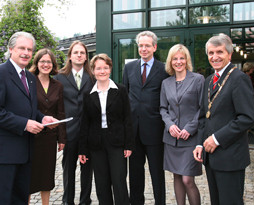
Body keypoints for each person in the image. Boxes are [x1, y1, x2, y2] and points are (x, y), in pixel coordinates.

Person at [0, 31, 58, 205]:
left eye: (29, 49)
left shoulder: (29, 77)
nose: (26, 53)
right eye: (22, 48)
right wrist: (25, 124)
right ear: (11, 49)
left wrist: (43, 118)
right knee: (1, 200)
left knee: (20, 199)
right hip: (3, 153)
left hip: (26, 151)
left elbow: (31, 110)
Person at [193, 34, 254, 205]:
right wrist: (200, 143)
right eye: (211, 53)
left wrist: (216, 138)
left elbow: (247, 118)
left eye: (219, 52)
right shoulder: (208, 81)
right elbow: (204, 117)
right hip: (212, 157)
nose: (215, 57)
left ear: (229, 54)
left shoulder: (239, 79)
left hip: (230, 157)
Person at [79, 53, 134, 205]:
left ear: (110, 69)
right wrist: (82, 150)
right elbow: (85, 123)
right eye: (98, 68)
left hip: (117, 142)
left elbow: (127, 118)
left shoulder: (120, 90)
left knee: (119, 181)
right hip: (96, 144)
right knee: (101, 184)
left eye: (105, 67)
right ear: (93, 71)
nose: (102, 71)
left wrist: (129, 144)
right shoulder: (88, 94)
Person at [122, 30, 169, 205]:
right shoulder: (129, 67)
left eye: (147, 45)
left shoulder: (164, 69)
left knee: (157, 174)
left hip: (155, 131)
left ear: (154, 47)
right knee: (135, 175)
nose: (143, 49)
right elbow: (125, 96)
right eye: (141, 45)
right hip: (134, 131)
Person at [160, 44, 204, 205]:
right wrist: (169, 125)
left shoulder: (198, 79)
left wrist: (190, 128)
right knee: (177, 177)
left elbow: (202, 109)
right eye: (175, 59)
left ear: (187, 60)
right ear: (170, 62)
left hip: (190, 139)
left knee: (187, 180)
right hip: (172, 138)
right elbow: (163, 109)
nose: (178, 61)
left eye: (181, 58)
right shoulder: (166, 83)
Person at [53, 41, 94, 205]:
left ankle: (85, 201)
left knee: (87, 171)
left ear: (86, 57)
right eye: (76, 52)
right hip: (68, 132)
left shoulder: (92, 77)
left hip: (88, 132)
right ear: (70, 56)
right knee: (68, 170)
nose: (79, 55)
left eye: (82, 53)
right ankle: (67, 201)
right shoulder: (59, 78)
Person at [28, 48, 66, 204]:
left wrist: (62, 138)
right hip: (31, 136)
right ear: (36, 63)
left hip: (49, 138)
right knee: (29, 177)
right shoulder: (29, 81)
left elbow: (61, 112)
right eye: (42, 61)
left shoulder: (58, 85)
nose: (45, 64)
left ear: (53, 64)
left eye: (48, 61)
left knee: (47, 176)